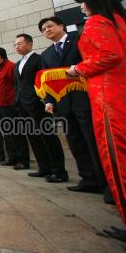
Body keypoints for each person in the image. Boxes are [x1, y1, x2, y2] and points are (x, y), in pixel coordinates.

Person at [66, 0, 126, 241]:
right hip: (117, 93)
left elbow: (110, 55)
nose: (81, 8)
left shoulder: (98, 22)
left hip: (108, 98)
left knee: (117, 157)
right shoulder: (119, 21)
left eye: (82, 2)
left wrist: (78, 69)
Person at [39, 16, 109, 194]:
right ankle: (88, 179)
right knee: (75, 142)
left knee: (92, 141)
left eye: (49, 26)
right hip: (64, 105)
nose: (47, 30)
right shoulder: (47, 54)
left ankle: (106, 183)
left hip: (86, 99)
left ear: (61, 25)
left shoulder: (79, 39)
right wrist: (49, 101)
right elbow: (48, 81)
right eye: (43, 29)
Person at [14, 34, 67, 179]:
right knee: (33, 137)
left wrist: (45, 100)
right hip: (23, 106)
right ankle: (44, 168)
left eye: (20, 43)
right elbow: (17, 85)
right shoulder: (18, 63)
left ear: (30, 44)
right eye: (15, 44)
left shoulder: (39, 59)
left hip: (38, 103)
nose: (17, 46)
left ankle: (59, 171)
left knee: (48, 136)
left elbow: (44, 80)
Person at [0, 47, 29, 168]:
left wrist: (15, 101)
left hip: (10, 106)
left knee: (16, 133)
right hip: (0, 106)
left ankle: (23, 161)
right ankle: (12, 158)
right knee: (7, 134)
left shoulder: (11, 66)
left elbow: (17, 85)